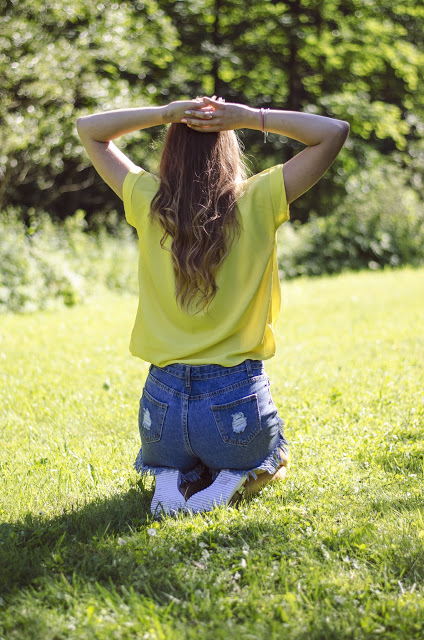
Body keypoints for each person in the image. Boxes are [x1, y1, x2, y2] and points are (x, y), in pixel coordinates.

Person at [76, 95, 349, 516]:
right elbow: (333, 133)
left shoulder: (147, 198)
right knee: (276, 452)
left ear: (171, 153)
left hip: (160, 414)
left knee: (177, 450)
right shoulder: (259, 197)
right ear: (228, 148)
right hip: (234, 403)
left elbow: (89, 130)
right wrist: (248, 117)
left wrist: (165, 113)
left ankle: (171, 473)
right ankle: (233, 476)